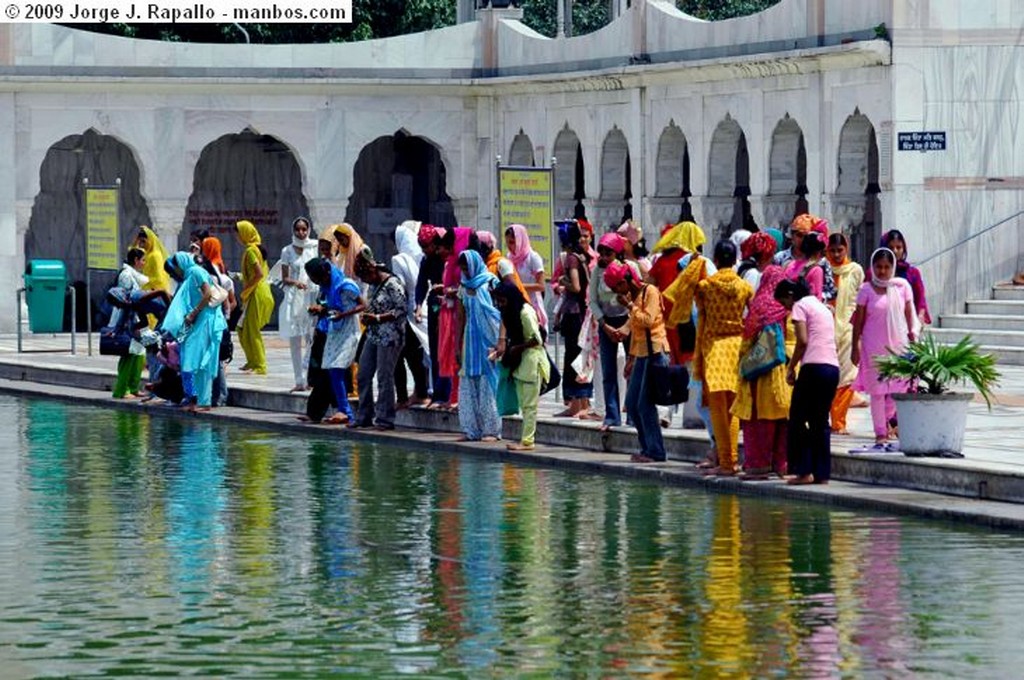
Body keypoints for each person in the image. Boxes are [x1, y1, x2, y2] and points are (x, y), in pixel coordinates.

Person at [694, 240, 754, 476]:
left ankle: (727, 463)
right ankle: (732, 461)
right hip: (737, 348)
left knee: (718, 409)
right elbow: (754, 315)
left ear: (716, 260)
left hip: (714, 349)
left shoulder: (705, 286)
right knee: (733, 408)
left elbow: (691, 310)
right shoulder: (744, 286)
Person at [603, 260, 670, 463]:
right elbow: (634, 328)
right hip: (641, 354)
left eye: (617, 287)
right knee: (632, 404)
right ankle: (646, 447)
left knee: (644, 404)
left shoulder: (650, 292)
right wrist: (629, 354)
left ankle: (656, 451)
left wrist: (629, 306)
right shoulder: (635, 296)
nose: (618, 293)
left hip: (656, 352)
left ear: (626, 280)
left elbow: (647, 320)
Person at [851, 248, 917, 452]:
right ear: (872, 267)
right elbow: (858, 322)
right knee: (878, 393)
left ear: (893, 267)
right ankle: (880, 432)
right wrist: (855, 346)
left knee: (898, 390)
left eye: (887, 267)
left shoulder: (902, 286)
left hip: (898, 347)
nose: (882, 271)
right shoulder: (866, 290)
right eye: (878, 267)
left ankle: (888, 421)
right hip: (873, 348)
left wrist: (914, 335)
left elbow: (909, 314)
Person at [775, 278, 840, 485]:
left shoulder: (800, 306)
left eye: (784, 303)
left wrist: (791, 366)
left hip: (813, 367)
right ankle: (821, 474)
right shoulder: (821, 307)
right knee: (820, 421)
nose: (786, 308)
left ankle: (803, 471)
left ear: (791, 296)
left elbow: (802, 341)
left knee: (796, 417)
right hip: (832, 368)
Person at [731, 265, 791, 479]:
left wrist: (742, 360)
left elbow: (747, 341)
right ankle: (781, 465)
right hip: (785, 372)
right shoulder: (787, 307)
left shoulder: (759, 305)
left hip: (760, 374)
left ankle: (758, 466)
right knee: (782, 421)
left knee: (759, 423)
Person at [161, 252, 228, 411]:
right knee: (192, 360)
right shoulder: (190, 274)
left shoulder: (195, 271)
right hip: (196, 321)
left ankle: (204, 402)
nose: (175, 272)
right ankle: (195, 400)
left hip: (204, 320)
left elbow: (207, 294)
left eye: (175, 268)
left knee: (201, 361)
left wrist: (193, 313)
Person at [304, 256, 365, 424]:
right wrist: (322, 310)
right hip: (334, 332)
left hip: (348, 332)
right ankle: (343, 411)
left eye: (317, 278)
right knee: (331, 369)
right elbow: (332, 309)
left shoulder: (346, 286)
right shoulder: (327, 288)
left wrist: (342, 314)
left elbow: (362, 305)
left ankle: (346, 413)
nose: (316, 282)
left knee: (337, 369)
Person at [351, 247, 407, 430]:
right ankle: (364, 415)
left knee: (384, 376)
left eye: (365, 277)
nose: (365, 281)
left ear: (373, 271)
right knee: (363, 373)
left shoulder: (393, 284)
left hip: (390, 337)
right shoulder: (373, 285)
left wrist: (377, 318)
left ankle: (385, 418)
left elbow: (401, 310)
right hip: (373, 335)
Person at [491, 281, 549, 451]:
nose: (501, 305)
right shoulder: (511, 313)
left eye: (503, 301)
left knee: (530, 405)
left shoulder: (525, 312)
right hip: (520, 363)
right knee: (525, 404)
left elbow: (537, 339)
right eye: (499, 302)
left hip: (532, 361)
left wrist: (518, 348)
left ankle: (527, 442)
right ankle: (525, 438)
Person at [589, 232, 636, 431]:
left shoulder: (629, 268)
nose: (605, 257)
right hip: (606, 322)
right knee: (608, 371)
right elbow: (592, 300)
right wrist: (604, 324)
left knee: (631, 369)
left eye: (609, 253)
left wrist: (627, 326)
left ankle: (633, 414)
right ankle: (612, 415)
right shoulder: (597, 272)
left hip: (628, 320)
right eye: (602, 253)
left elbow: (638, 293)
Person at [456, 249, 502, 442]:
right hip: (470, 341)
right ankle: (471, 429)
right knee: (470, 382)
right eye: (463, 267)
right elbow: (461, 317)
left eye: (468, 266)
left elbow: (500, 310)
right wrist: (458, 345)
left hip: (488, 339)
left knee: (488, 384)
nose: (466, 270)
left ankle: (491, 430)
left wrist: (501, 339)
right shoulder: (463, 287)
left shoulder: (491, 282)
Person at [554, 221, 595, 418]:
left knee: (573, 357)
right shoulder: (582, 256)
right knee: (579, 356)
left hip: (574, 314)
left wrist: (563, 281)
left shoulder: (571, 258)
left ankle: (578, 404)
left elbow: (576, 287)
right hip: (580, 313)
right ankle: (580, 403)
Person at [827, 232, 865, 435]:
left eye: (840, 250)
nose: (836, 254)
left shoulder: (855, 270)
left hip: (849, 328)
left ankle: (839, 422)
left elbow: (859, 301)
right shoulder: (822, 269)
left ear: (846, 249)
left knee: (848, 376)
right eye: (832, 250)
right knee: (829, 377)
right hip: (826, 329)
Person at [275, 216, 319, 392]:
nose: (301, 232)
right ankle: (299, 380)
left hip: (312, 296)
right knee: (295, 339)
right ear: (293, 231)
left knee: (311, 338)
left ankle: (309, 377)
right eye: (298, 229)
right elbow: (284, 277)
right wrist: (295, 283)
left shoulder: (314, 247)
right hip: (294, 298)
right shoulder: (287, 251)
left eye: (304, 229)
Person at [392, 221, 431, 408]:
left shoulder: (399, 259)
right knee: (420, 352)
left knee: (403, 355)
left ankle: (408, 396)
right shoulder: (422, 256)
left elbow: (399, 288)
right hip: (424, 308)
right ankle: (422, 392)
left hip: (407, 313)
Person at [437, 226, 476, 409]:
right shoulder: (452, 261)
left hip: (463, 313)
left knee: (461, 354)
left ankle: (459, 398)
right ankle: (453, 397)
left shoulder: (467, 262)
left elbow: (466, 287)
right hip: (451, 312)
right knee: (453, 354)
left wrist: (452, 291)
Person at [416, 225, 451, 406]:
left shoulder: (448, 259)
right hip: (435, 305)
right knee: (436, 350)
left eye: (427, 246)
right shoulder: (427, 260)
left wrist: (445, 289)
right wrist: (418, 305)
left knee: (447, 350)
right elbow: (421, 284)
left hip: (450, 306)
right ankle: (438, 393)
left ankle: (448, 393)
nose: (426, 250)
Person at [235, 220, 275, 375]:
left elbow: (258, 274)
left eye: (239, 232)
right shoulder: (256, 249)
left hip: (256, 293)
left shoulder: (251, 251)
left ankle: (260, 364)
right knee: (241, 328)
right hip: (259, 292)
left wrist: (246, 287)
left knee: (252, 331)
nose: (237, 236)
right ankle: (252, 360)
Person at [200, 236, 236, 407]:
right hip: (218, 321)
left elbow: (225, 300)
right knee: (215, 358)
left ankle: (220, 395)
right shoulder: (218, 269)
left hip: (214, 321)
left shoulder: (210, 272)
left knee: (217, 359)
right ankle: (216, 395)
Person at [109, 247, 150, 399]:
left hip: (136, 318)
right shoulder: (126, 275)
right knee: (128, 354)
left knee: (138, 353)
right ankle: (121, 389)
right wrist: (130, 324)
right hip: (128, 319)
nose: (144, 263)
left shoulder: (135, 276)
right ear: (136, 260)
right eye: (143, 260)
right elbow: (126, 301)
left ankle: (133, 387)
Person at [881, 229, 931, 328]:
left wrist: (919, 319)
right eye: (891, 247)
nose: (895, 251)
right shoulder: (876, 273)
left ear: (904, 249)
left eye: (898, 247)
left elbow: (920, 298)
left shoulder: (912, 273)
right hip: (881, 324)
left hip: (906, 324)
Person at [505, 223, 548, 333]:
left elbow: (541, 286)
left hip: (531, 303)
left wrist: (518, 287)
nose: (509, 246)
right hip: (515, 303)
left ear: (520, 241)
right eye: (507, 243)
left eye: (512, 242)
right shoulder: (509, 257)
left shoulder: (533, 258)